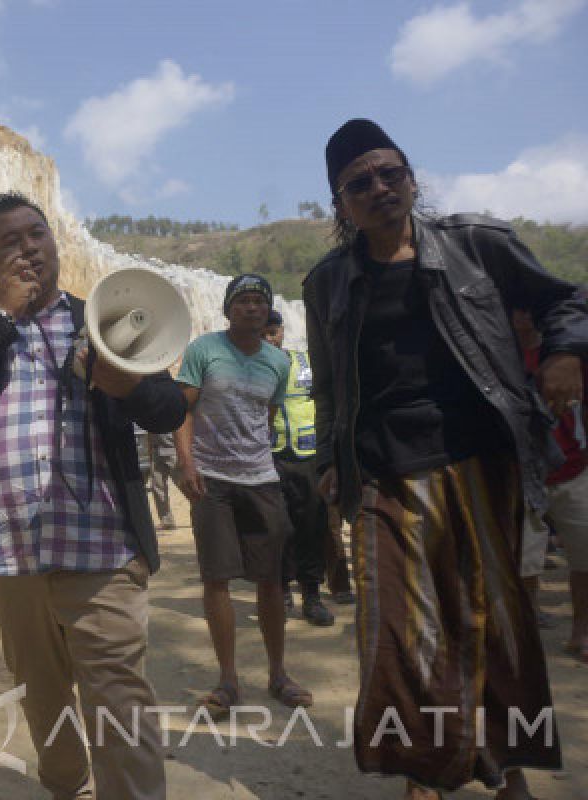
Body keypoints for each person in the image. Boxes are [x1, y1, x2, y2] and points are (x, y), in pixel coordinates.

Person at [305, 118, 585, 799]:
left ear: (410, 177)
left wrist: (565, 353)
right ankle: (421, 773)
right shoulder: (327, 284)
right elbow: (330, 382)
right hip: (384, 474)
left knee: (498, 623)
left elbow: (567, 301)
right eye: (359, 183)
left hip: (480, 461)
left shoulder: (475, 244)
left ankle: (509, 771)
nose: (379, 188)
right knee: (398, 635)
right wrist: (329, 458)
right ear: (340, 204)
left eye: (390, 173)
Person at [0, 191, 186, 799]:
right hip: (10, 555)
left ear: (55, 242)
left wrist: (128, 388)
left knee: (119, 700)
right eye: (8, 243)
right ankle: (70, 788)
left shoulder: (106, 322)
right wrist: (0, 319)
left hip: (103, 550)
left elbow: (168, 408)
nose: (27, 249)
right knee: (42, 697)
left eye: (35, 234)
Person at [172, 274, 312, 718]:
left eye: (258, 301)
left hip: (261, 479)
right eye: (243, 301)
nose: (251, 308)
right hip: (212, 482)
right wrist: (187, 463)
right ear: (228, 308)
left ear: (267, 310)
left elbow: (265, 416)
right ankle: (228, 680)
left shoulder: (278, 362)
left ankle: (278, 674)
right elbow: (183, 410)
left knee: (271, 580)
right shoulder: (203, 350)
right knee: (218, 579)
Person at [513, 308, 588, 661]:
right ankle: (524, 633)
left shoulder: (566, 352)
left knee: (584, 554)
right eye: (516, 308)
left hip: (573, 466)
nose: (523, 315)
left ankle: (582, 632)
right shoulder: (501, 353)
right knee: (525, 561)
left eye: (529, 307)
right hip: (524, 473)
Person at [262, 308, 336, 626]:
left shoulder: (305, 364)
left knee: (311, 527)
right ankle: (281, 589)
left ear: (281, 332)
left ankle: (312, 595)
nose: (269, 337)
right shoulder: (251, 367)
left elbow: (323, 403)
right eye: (264, 332)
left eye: (274, 331)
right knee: (278, 529)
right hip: (269, 458)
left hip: (306, 459)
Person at [147, 431, 178, 530]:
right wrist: (150, 452)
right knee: (157, 486)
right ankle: (167, 521)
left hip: (173, 449)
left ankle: (203, 514)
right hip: (157, 450)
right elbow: (149, 431)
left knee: (185, 484)